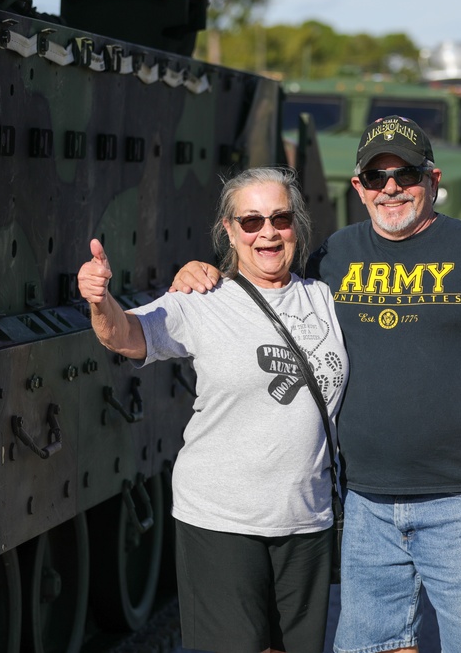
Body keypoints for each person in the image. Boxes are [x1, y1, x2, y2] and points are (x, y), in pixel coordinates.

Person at [172, 115, 461, 653]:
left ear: (433, 179)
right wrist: (199, 270)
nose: (391, 188)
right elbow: (264, 274)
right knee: (377, 646)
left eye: (406, 175)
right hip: (365, 505)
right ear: (358, 187)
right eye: (376, 178)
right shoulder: (333, 255)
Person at [78, 166, 349, 653]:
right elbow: (127, 336)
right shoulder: (202, 301)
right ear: (229, 229)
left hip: (306, 517)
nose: (268, 232)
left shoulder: (325, 298)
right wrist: (101, 302)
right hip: (222, 517)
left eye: (281, 218)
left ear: (297, 225)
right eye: (251, 221)